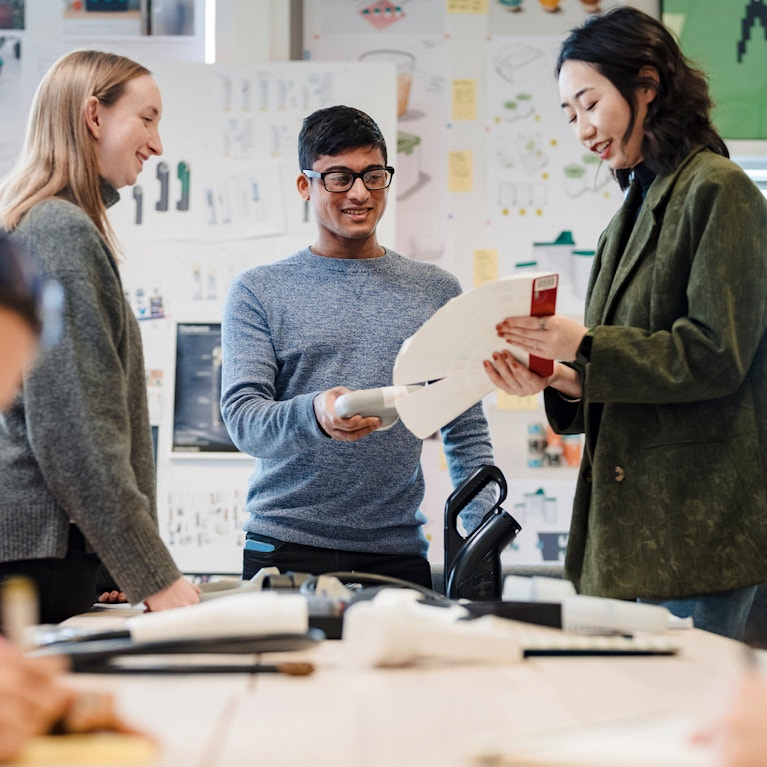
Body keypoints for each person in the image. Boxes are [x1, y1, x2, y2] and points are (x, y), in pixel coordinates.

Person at [483, 7, 767, 640]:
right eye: (570, 115)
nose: (582, 129)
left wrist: (583, 342)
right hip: (630, 528)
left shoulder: (718, 190)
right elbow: (631, 374)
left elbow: (715, 355)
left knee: (686, 700)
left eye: (590, 104)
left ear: (647, 85)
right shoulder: (630, 212)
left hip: (700, 527)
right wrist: (561, 377)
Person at [221, 105, 495, 589]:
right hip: (284, 546)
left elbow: (465, 428)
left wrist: (481, 542)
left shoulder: (435, 291)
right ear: (305, 185)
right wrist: (316, 413)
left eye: (373, 175)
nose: (360, 193)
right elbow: (244, 419)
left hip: (395, 553)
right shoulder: (259, 291)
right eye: (339, 178)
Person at [0, 49, 200, 624]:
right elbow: (75, 430)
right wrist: (154, 576)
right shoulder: (59, 229)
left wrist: (115, 569)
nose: (157, 145)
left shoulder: (42, 223)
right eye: (147, 118)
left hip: (46, 551)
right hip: (39, 558)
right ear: (94, 115)